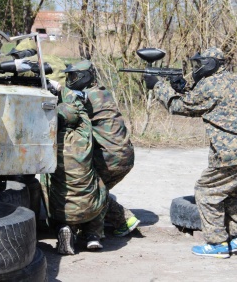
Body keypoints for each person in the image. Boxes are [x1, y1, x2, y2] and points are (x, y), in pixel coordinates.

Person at [143, 46, 237, 259]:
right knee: (231, 193)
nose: (196, 68)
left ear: (211, 64)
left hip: (229, 152)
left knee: (206, 191)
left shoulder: (212, 85)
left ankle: (217, 244)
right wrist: (182, 86)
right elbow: (209, 102)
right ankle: (235, 236)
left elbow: (181, 106)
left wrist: (158, 86)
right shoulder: (231, 80)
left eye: (199, 63)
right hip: (232, 151)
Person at [60, 59, 139, 237]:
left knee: (87, 188)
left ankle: (124, 220)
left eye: (74, 76)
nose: (71, 79)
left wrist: (58, 90)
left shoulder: (91, 96)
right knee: (97, 187)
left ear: (86, 77)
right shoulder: (101, 92)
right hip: (122, 154)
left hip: (111, 157)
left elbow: (68, 110)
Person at [40, 87, 108, 255]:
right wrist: (65, 91)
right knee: (101, 188)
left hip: (62, 210)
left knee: (46, 180)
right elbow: (82, 112)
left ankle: (63, 228)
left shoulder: (50, 142)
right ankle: (93, 235)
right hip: (89, 208)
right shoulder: (84, 137)